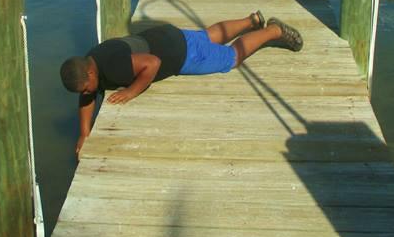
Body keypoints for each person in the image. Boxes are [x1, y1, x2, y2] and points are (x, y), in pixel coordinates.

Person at [60, 12, 303, 158]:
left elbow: (152, 64)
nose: (85, 92)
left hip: (179, 54)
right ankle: (252, 20)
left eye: (85, 86)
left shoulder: (112, 67)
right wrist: (84, 133)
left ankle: (273, 30)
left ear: (91, 72)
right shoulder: (91, 57)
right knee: (206, 36)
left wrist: (131, 91)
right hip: (164, 35)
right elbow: (87, 97)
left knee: (231, 58)